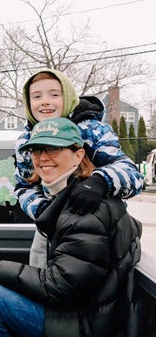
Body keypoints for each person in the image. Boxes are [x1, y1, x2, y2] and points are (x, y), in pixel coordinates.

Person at [0, 117, 146, 337]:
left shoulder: (86, 206)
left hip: (86, 335)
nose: (43, 157)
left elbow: (62, 286)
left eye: (54, 148)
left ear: (78, 155)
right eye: (37, 149)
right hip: (78, 315)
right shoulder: (65, 197)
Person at [15, 69, 143, 224]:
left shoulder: (91, 131)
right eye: (36, 96)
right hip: (56, 228)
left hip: (99, 220)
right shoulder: (26, 141)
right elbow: (23, 186)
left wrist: (100, 182)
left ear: (68, 98)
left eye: (54, 95)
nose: (45, 101)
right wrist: (44, 210)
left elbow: (132, 174)